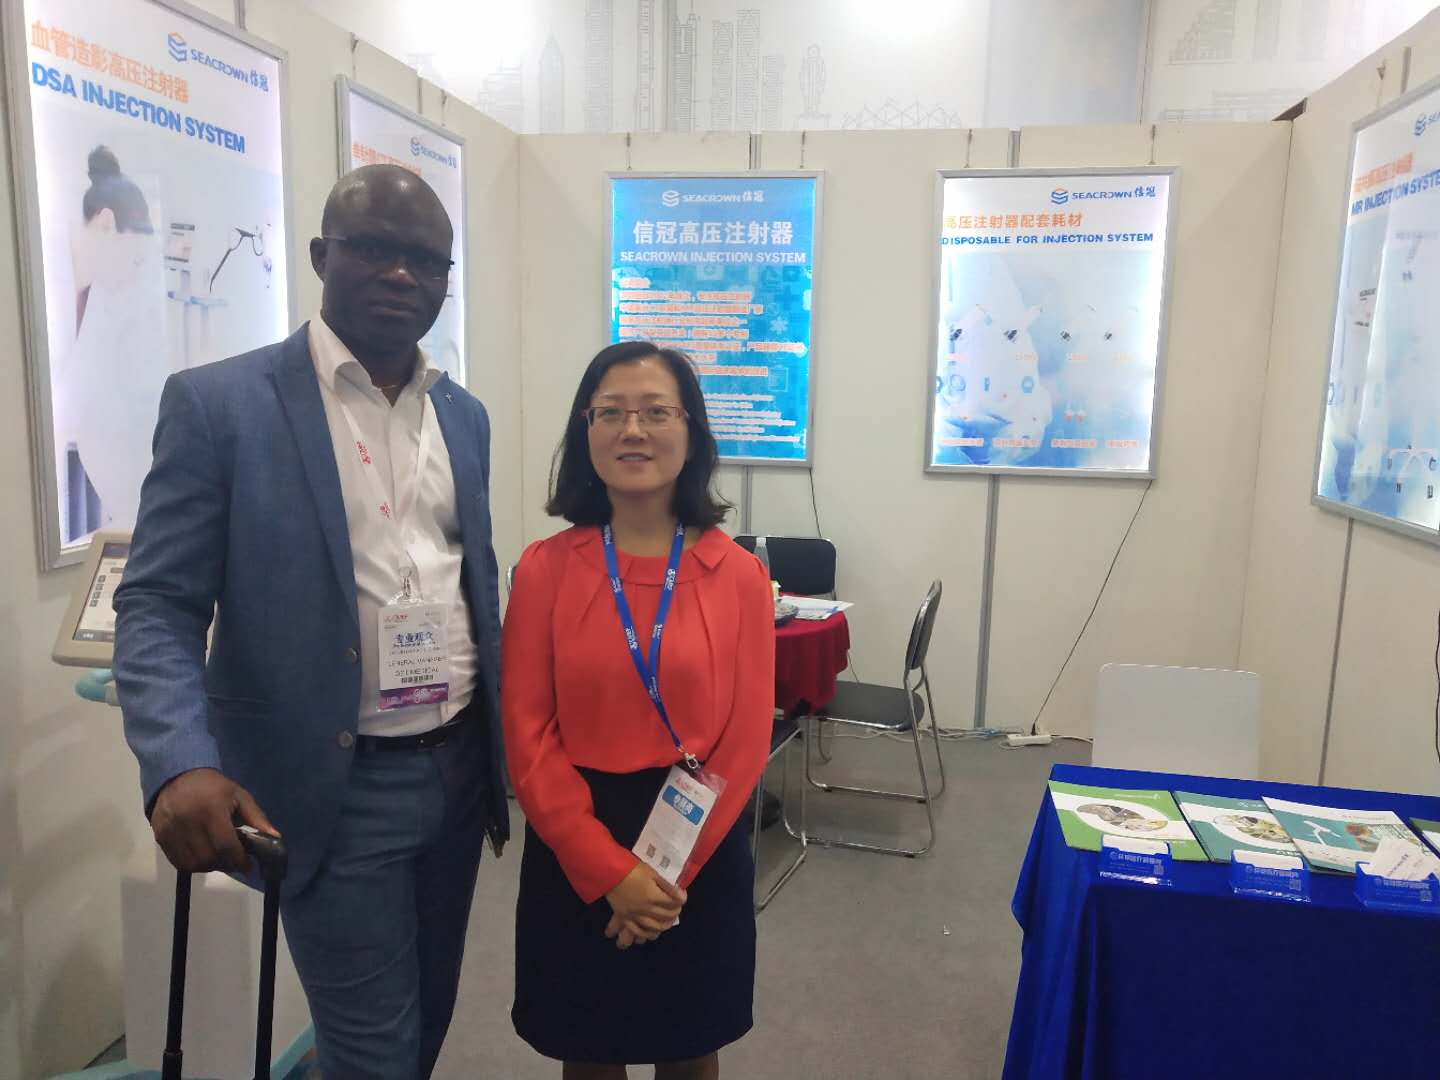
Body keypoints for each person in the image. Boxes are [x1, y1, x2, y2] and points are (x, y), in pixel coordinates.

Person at [113, 164, 508, 1079]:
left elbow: (470, 586)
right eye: (375, 248)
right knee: (375, 1053)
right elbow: (158, 603)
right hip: (333, 786)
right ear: (322, 255)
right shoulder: (220, 406)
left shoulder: (464, 416)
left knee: (426, 1027)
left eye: (426, 260)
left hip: (456, 772)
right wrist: (178, 757)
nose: (402, 274)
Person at [502, 340, 774, 1080]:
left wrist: (659, 878)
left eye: (657, 412)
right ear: (585, 430)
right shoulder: (545, 569)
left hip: (696, 841)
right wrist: (607, 871)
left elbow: (746, 738)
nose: (633, 430)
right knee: (589, 1051)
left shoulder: (739, 575)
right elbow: (527, 735)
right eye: (611, 413)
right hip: (576, 836)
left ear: (691, 432)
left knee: (691, 1049)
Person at [66, 145, 167, 533]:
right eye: (136, 257)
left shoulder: (111, 301)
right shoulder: (79, 289)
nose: (138, 269)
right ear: (106, 224)